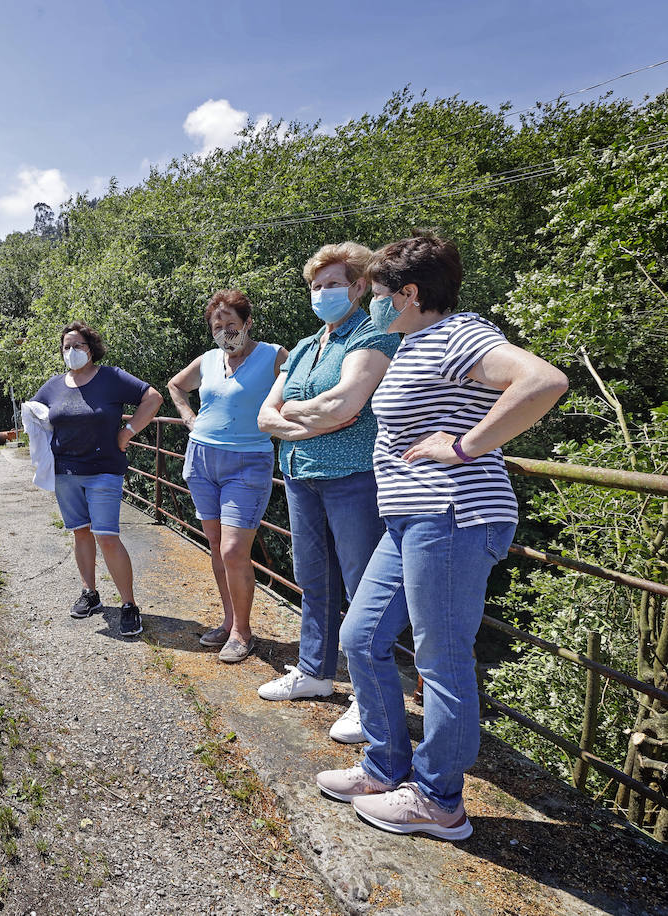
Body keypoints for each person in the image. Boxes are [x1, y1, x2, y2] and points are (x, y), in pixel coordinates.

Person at [316, 231, 567, 841]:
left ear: (407, 293)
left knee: (442, 658)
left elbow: (543, 381)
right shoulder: (414, 343)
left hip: (453, 517)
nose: (370, 304)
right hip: (410, 521)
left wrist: (465, 445)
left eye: (376, 294)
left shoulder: (460, 333)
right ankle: (384, 769)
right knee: (362, 635)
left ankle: (439, 801)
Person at [256, 243, 401, 740]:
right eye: (316, 287)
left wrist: (296, 417)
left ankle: (369, 697)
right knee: (313, 576)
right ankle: (315, 672)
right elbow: (264, 414)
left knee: (363, 586)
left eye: (332, 284)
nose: (322, 294)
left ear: (359, 286)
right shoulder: (302, 346)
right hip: (300, 473)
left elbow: (347, 403)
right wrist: (310, 423)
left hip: (354, 476)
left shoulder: (373, 332)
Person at [167, 290, 286, 663]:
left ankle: (243, 632)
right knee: (218, 545)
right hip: (202, 460)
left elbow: (299, 388)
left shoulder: (273, 355)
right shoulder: (207, 360)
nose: (224, 332)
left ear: (248, 323)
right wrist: (189, 417)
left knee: (235, 549)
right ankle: (230, 621)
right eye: (217, 327)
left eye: (231, 325)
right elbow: (175, 385)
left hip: (249, 461)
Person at [33, 321, 163, 637]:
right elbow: (35, 417)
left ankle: (129, 605)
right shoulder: (52, 386)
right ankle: (90, 594)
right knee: (80, 533)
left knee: (106, 536)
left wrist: (127, 433)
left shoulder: (111, 378)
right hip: (66, 473)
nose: (71, 351)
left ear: (91, 348)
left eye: (77, 345)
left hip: (104, 470)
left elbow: (153, 397)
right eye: (66, 346)